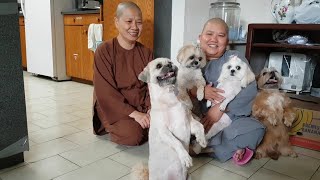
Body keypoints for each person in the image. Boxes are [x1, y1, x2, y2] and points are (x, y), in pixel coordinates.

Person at [193, 18, 265, 163]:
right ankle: (224, 148)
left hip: (230, 117)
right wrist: (198, 92)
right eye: (209, 34)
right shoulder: (192, 59)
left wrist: (220, 109)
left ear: (227, 42)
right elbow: (182, 85)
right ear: (200, 38)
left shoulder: (234, 58)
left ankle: (207, 148)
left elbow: (249, 89)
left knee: (256, 128)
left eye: (221, 36)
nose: (214, 39)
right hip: (199, 118)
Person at [92, 1, 153, 146]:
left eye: (139, 22)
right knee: (133, 136)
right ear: (116, 22)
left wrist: (151, 109)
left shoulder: (146, 53)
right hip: (115, 107)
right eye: (129, 21)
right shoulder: (104, 51)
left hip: (141, 104)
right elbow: (105, 91)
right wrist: (135, 114)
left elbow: (153, 86)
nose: (134, 27)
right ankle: (114, 126)